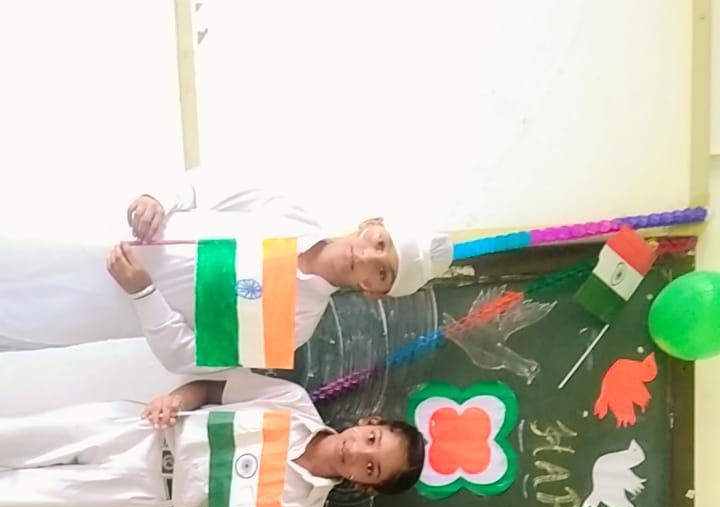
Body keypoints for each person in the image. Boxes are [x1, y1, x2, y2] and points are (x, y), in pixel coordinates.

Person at [0, 165, 453, 372]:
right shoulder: (286, 211)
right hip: (86, 233)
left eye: (383, 271)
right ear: (370, 224)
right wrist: (156, 199)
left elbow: (185, 356)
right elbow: (198, 187)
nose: (369, 258)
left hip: (94, 311)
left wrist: (143, 293)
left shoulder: (292, 325)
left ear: (374, 291)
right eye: (380, 243)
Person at [0, 372, 425, 507]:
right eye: (372, 439)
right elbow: (207, 390)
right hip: (142, 430)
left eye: (371, 467)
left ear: (366, 485)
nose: (359, 451)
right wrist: (174, 399)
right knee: (11, 435)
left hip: (143, 499)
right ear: (369, 422)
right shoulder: (292, 402)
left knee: (12, 498)